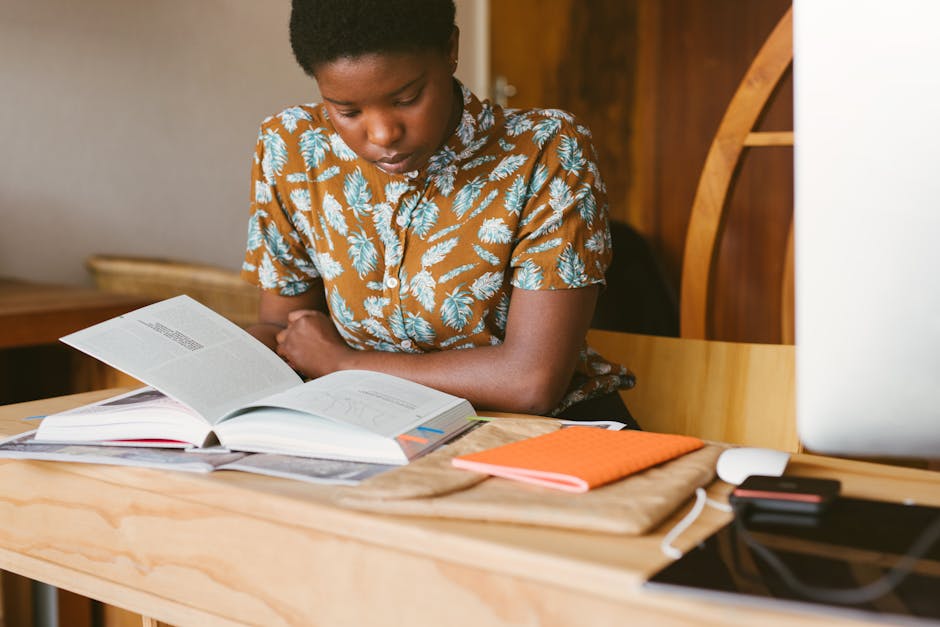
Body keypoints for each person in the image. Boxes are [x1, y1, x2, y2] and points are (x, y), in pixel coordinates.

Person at [241, 0, 637, 426]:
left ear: (451, 49)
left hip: (544, 434)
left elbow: (531, 382)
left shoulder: (545, 150)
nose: (382, 135)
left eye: (407, 98)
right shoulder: (294, 149)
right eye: (347, 111)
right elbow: (291, 333)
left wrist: (344, 364)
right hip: (373, 429)